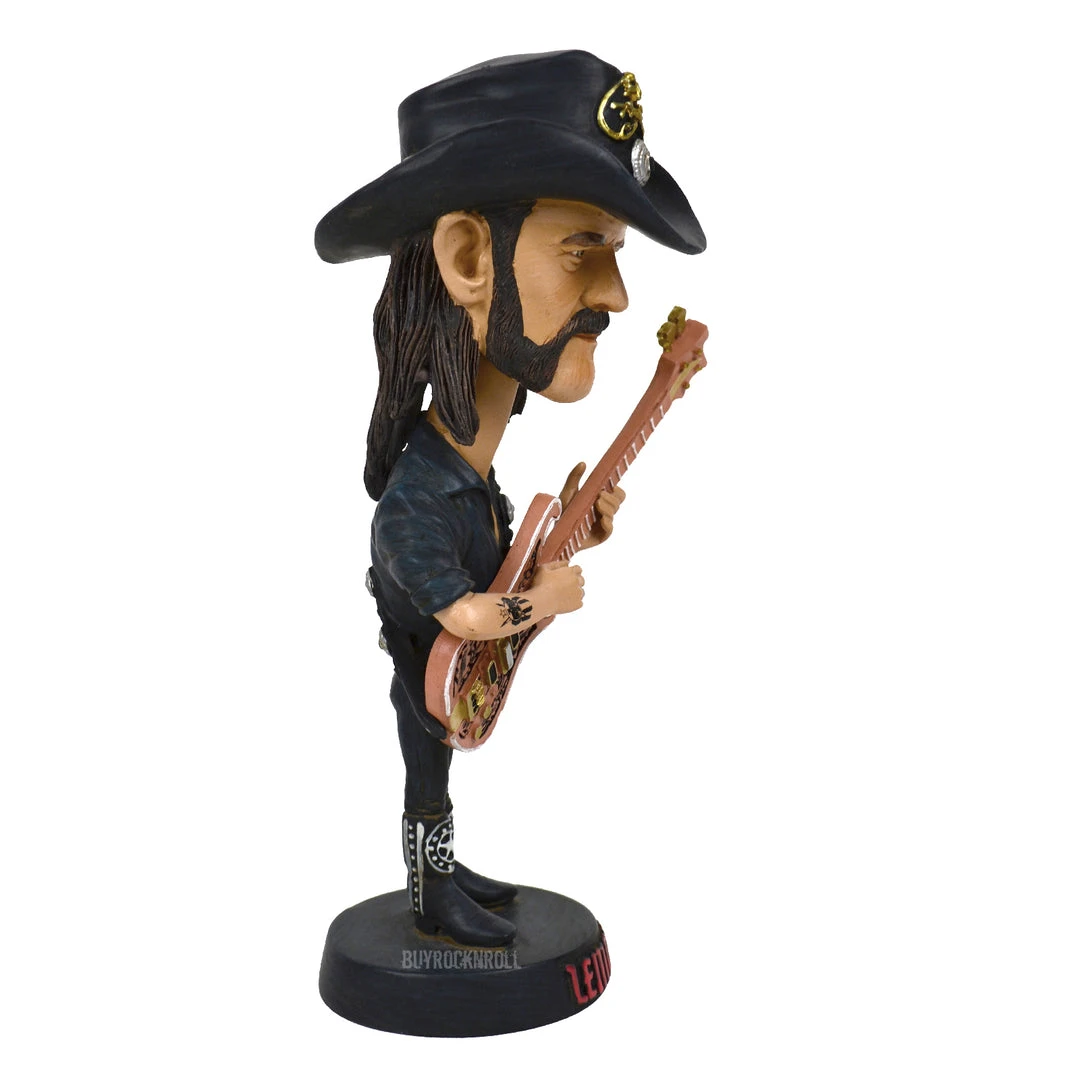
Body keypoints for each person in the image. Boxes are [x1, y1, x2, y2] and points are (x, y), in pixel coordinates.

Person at [315, 50, 705, 947]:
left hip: (454, 683)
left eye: (614, 251)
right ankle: (431, 891)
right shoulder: (416, 501)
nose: (616, 294)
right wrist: (543, 601)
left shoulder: (474, 480)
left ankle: (443, 872)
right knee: (425, 777)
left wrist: (569, 543)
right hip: (431, 685)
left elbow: (495, 570)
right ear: (466, 259)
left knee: (437, 780)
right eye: (583, 247)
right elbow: (468, 612)